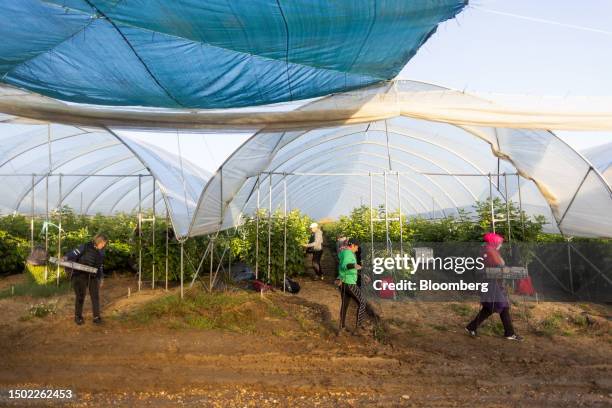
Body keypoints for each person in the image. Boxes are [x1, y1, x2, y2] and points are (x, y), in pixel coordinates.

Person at [466, 232, 523, 341]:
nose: (501, 244)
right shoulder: (490, 251)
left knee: (490, 307)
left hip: (491, 282)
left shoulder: (488, 250)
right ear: (494, 242)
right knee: (503, 306)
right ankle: (509, 333)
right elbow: (500, 265)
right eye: (500, 242)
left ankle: (471, 327)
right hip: (491, 283)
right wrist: (509, 270)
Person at [64, 233, 108, 325]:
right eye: (103, 243)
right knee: (80, 296)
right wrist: (65, 257)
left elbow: (100, 266)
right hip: (80, 275)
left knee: (95, 296)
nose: (104, 245)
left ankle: (96, 317)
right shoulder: (85, 246)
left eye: (105, 244)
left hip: (93, 276)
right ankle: (78, 317)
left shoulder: (101, 251)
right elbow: (73, 253)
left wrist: (101, 277)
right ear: (98, 241)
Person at [335, 238, 366, 333]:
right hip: (349, 283)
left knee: (345, 305)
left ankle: (342, 327)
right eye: (356, 247)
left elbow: (346, 267)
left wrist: (361, 273)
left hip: (343, 281)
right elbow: (346, 265)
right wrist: (354, 266)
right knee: (362, 302)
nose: (357, 249)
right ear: (352, 245)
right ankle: (358, 328)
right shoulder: (348, 253)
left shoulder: (344, 252)